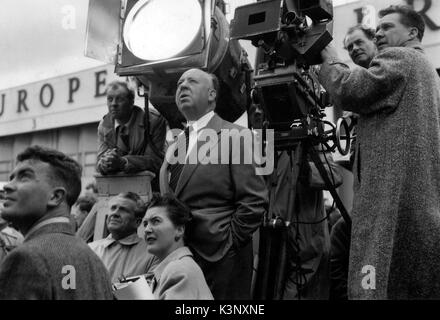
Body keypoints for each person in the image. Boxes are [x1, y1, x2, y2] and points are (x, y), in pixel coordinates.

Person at [319, 6, 440, 299]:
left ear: (413, 33)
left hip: (389, 206)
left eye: (387, 27)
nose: (379, 33)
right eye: (378, 28)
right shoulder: (427, 72)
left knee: (372, 286)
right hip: (414, 208)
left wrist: (326, 53)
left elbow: (350, 88)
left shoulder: (402, 57)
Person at [160, 68, 268, 299]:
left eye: (191, 81)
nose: (182, 86)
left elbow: (254, 201)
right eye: (179, 83)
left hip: (221, 260)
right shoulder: (176, 143)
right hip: (180, 257)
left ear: (211, 95)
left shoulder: (237, 136)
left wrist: (227, 244)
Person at [0, 146, 113, 299]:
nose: (8, 185)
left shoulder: (26, 257)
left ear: (55, 196)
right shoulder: (93, 260)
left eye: (24, 177)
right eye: (12, 177)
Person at [328, 24, 378, 300]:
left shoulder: (385, 72)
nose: (354, 49)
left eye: (359, 42)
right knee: (341, 233)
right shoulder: (359, 84)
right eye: (349, 48)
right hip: (365, 192)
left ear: (374, 39)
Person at [97, 81, 167, 190]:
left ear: (131, 102)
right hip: (118, 188)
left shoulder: (153, 121)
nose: (113, 104)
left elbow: (155, 161)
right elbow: (100, 160)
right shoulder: (104, 125)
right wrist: (105, 163)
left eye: (120, 99)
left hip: (151, 188)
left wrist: (122, 162)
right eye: (110, 99)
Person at [143, 193, 213, 299]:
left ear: (179, 230)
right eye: (145, 224)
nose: (147, 229)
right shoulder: (177, 267)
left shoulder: (178, 269)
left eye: (156, 221)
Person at [89, 192, 158, 283]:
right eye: (113, 208)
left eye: (123, 210)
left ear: (137, 222)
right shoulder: (90, 249)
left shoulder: (152, 254)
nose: (115, 213)